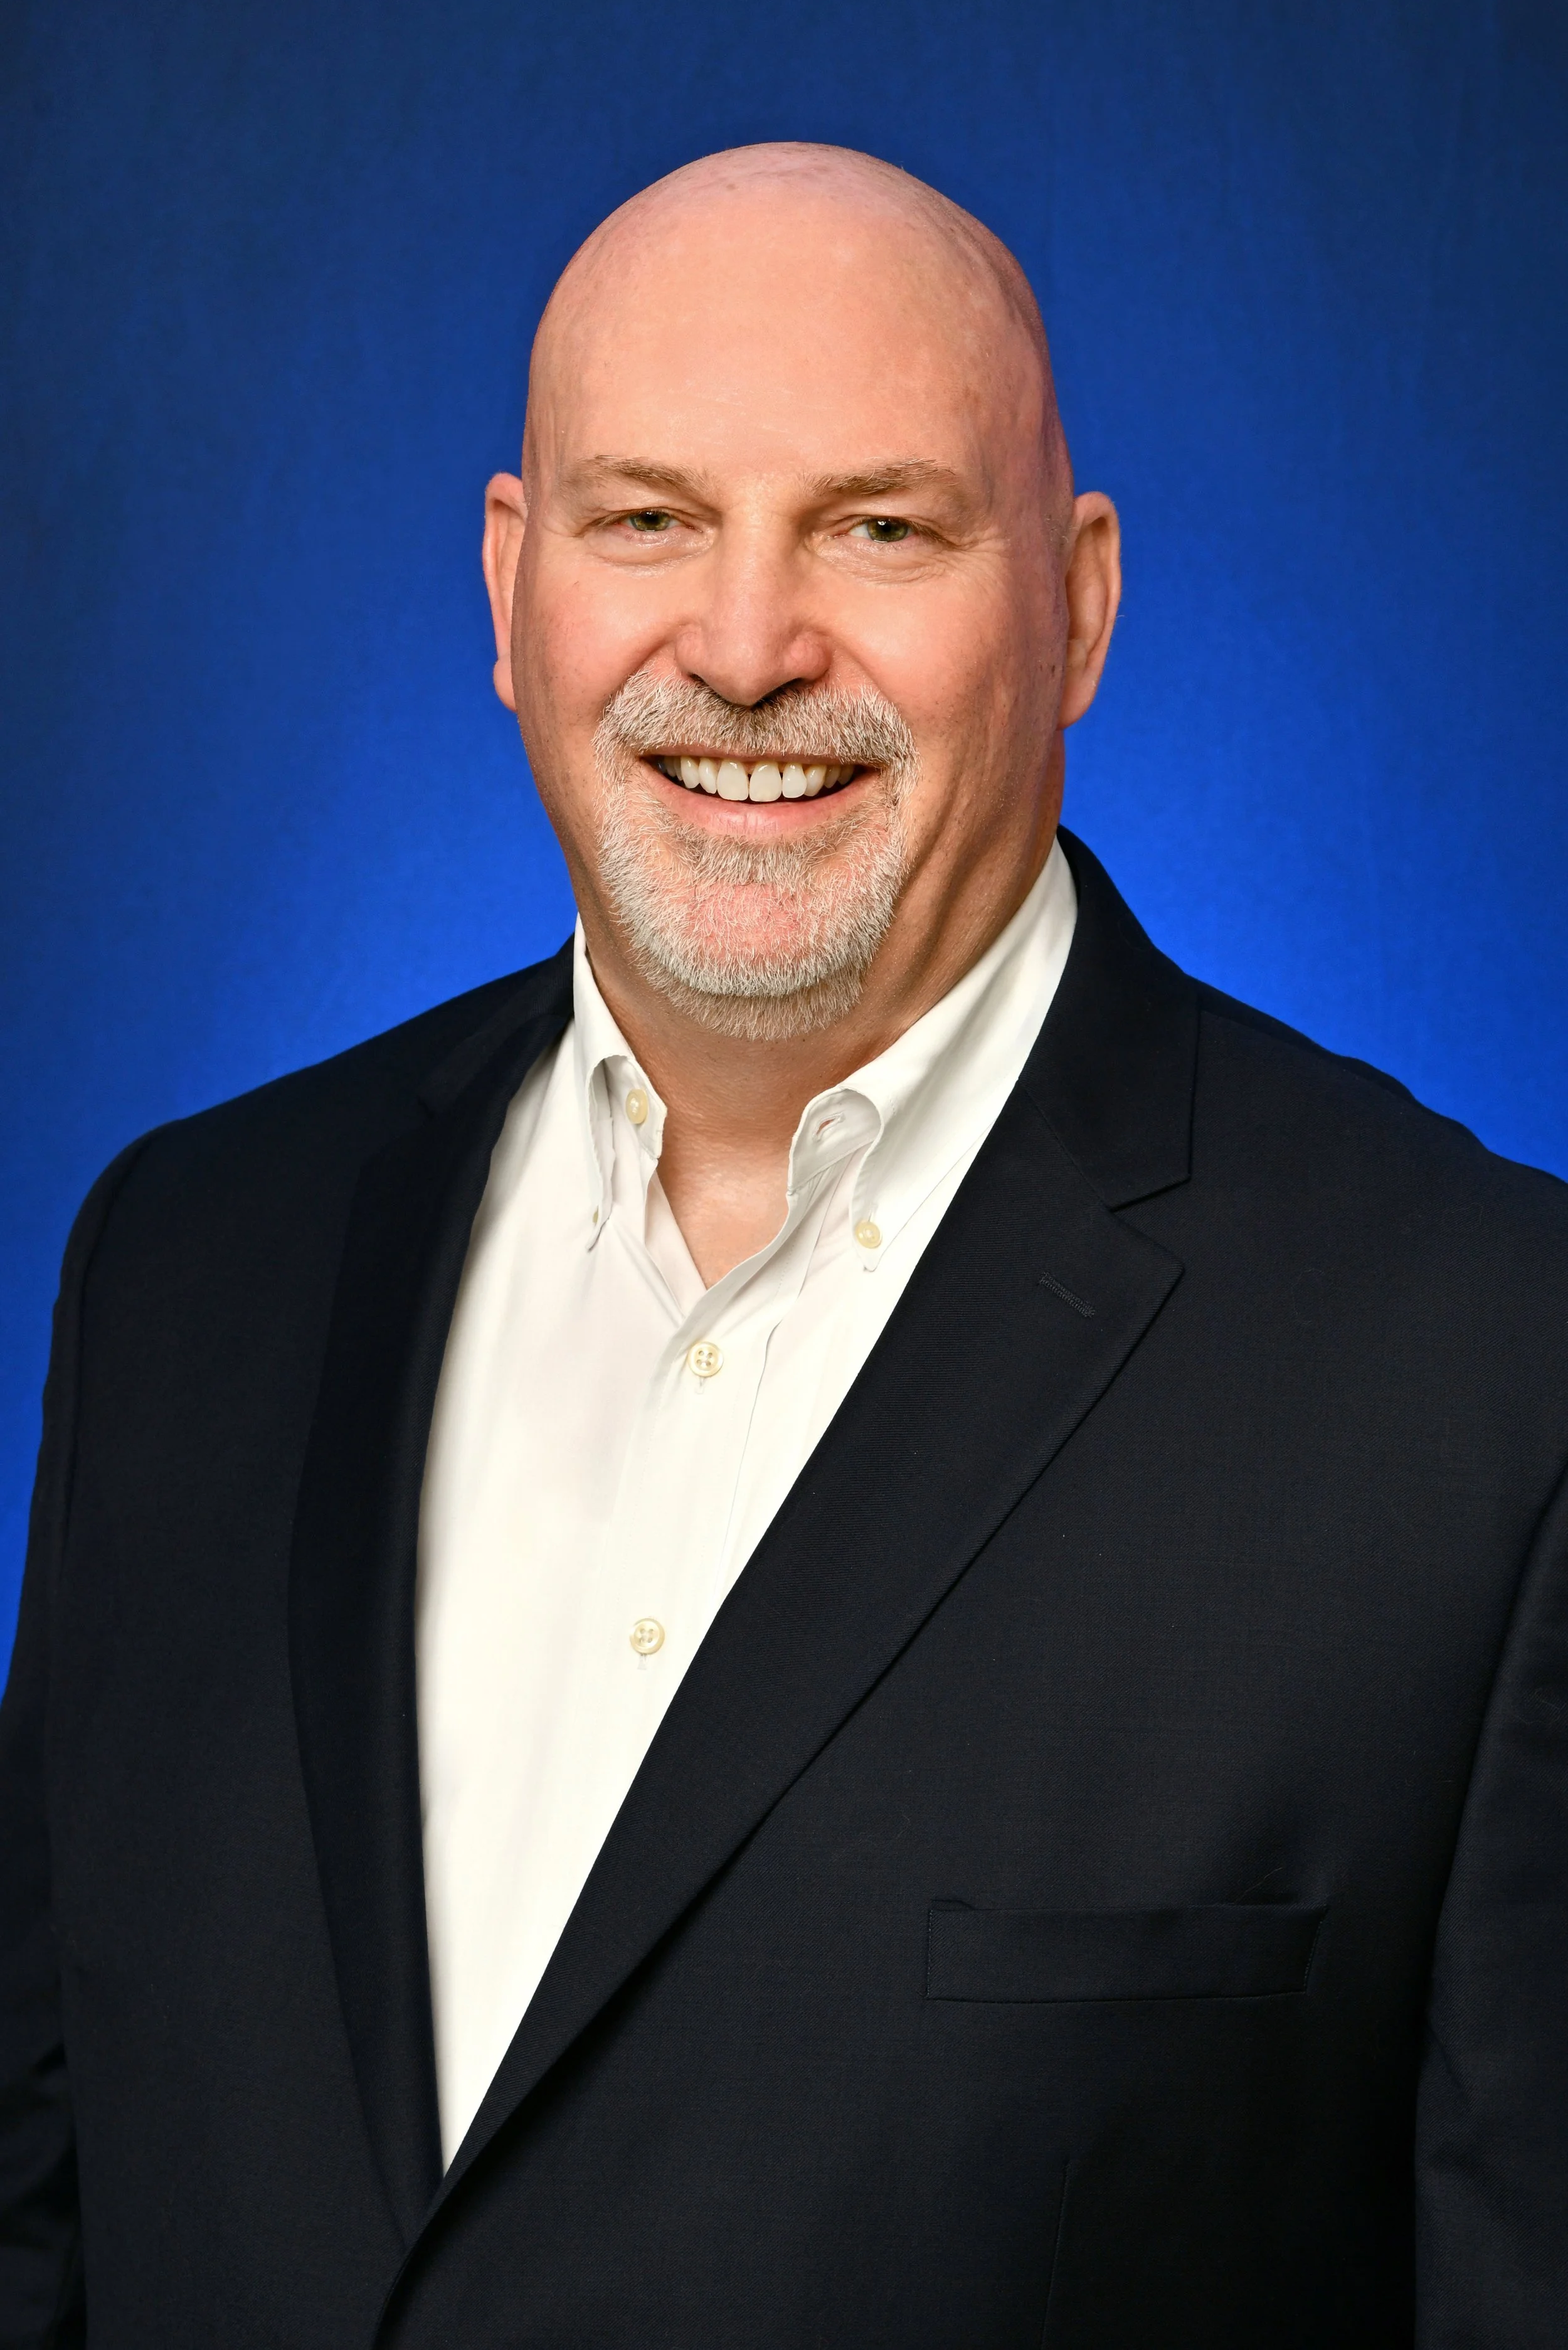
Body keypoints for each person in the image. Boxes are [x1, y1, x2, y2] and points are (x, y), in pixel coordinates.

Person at [1, 140, 1564, 2350]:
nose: (742, 648)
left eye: (879, 526)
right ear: (509, 584)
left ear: (1081, 604)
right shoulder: (184, 1270)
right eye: (648, 518)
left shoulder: (1488, 1383)